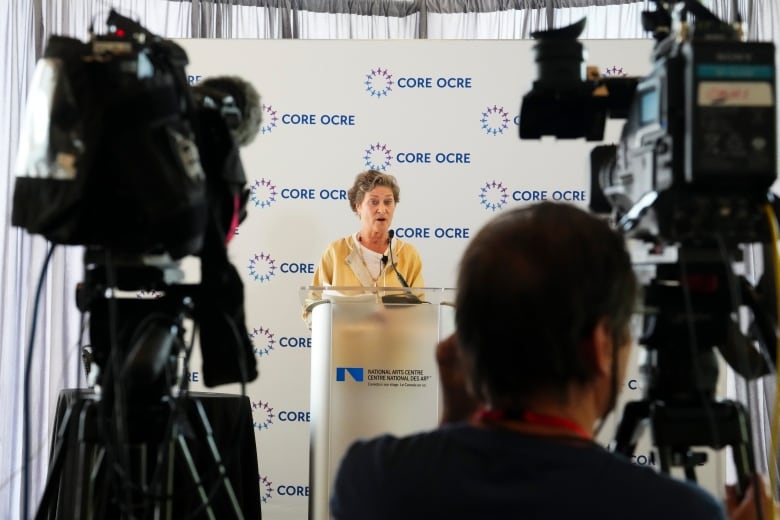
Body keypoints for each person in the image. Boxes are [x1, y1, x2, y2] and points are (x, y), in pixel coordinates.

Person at [330, 201, 768, 520]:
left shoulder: (371, 479)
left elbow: (443, 486)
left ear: (461, 346)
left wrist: (456, 424)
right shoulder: (680, 512)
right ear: (600, 346)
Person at [308, 169, 424, 292]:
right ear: (358, 206)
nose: (382, 209)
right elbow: (313, 304)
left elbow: (420, 306)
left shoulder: (408, 254)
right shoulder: (335, 253)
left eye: (388, 202)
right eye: (374, 202)